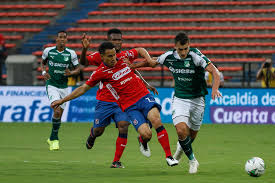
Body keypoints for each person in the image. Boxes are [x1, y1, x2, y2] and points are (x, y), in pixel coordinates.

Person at [52, 42, 179, 167]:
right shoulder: (100, 72)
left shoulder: (123, 57)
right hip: (128, 105)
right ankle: (141, 140)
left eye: (114, 55)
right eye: (110, 56)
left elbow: (140, 50)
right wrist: (62, 100)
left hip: (143, 96)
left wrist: (149, 60)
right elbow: (83, 88)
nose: (114, 58)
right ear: (102, 57)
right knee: (145, 134)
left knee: (154, 119)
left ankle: (169, 157)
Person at [131, 32, 222, 173]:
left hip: (198, 100)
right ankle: (192, 160)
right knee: (181, 130)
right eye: (180, 49)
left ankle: (180, 150)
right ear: (175, 47)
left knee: (191, 135)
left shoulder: (196, 56)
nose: (184, 52)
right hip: (180, 99)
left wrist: (215, 89)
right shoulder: (169, 56)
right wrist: (132, 67)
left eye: (186, 48)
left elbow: (215, 72)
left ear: (189, 46)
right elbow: (152, 62)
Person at [81, 28, 158, 162]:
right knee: (98, 130)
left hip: (122, 100)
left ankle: (116, 161)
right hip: (104, 100)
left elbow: (132, 70)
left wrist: (146, 84)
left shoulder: (124, 56)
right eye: (114, 40)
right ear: (108, 41)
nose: (117, 42)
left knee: (123, 125)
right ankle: (93, 135)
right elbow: (83, 62)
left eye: (119, 40)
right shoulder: (101, 55)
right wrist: (84, 50)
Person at [41, 30, 81, 151]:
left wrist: (71, 73)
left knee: (59, 115)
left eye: (64, 37)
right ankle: (55, 140)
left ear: (66, 39)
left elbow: (78, 69)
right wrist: (44, 72)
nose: (62, 39)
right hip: (52, 85)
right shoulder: (48, 51)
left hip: (64, 87)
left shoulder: (71, 53)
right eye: (60, 37)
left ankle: (52, 137)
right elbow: (43, 63)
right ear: (57, 39)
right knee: (57, 111)